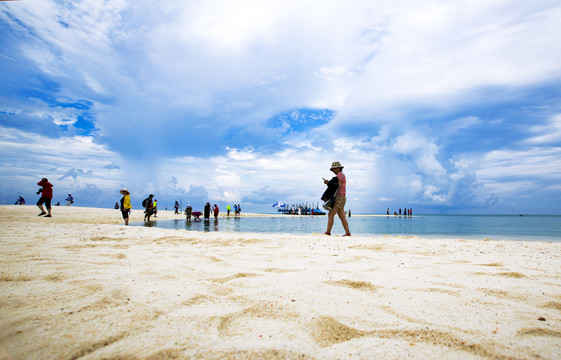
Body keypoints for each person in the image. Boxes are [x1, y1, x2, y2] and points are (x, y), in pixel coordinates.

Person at [323, 161, 351, 236]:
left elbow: (336, 187)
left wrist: (328, 183)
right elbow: (335, 186)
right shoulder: (341, 175)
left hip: (339, 197)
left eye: (333, 169)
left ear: (337, 168)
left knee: (330, 214)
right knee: (342, 216)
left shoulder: (340, 175)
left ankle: (328, 232)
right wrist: (328, 183)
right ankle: (348, 233)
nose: (333, 171)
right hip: (341, 197)